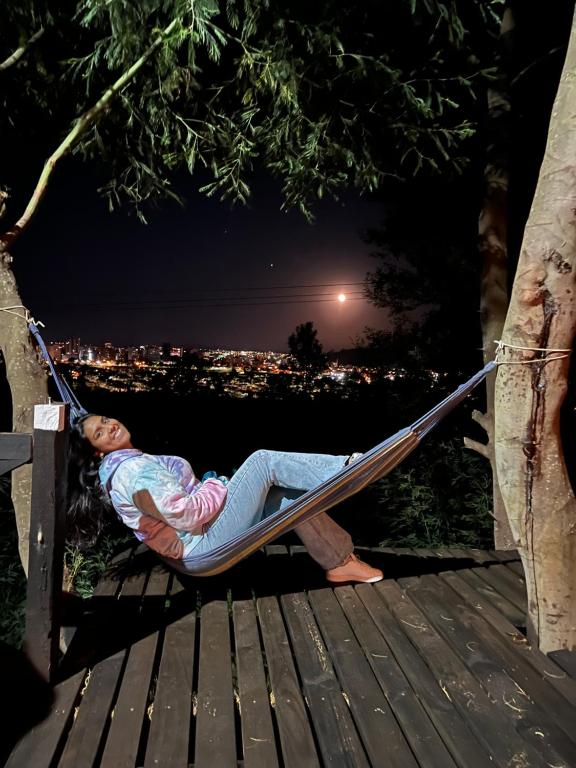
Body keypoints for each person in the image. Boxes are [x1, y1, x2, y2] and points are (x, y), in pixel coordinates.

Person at [67, 413, 384, 584]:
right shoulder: (132, 473)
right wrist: (215, 484)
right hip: (201, 546)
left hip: (195, 543)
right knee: (262, 461)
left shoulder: (122, 466)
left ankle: (340, 563)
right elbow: (186, 516)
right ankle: (348, 469)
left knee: (285, 497)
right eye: (99, 432)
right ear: (97, 452)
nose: (110, 427)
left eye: (106, 420)